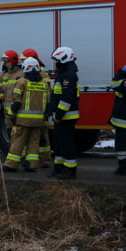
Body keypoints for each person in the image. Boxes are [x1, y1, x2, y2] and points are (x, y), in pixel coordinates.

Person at [3, 57, 49, 173]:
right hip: (38, 121)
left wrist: (11, 115)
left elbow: (17, 101)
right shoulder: (44, 83)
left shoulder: (22, 82)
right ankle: (32, 165)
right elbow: (48, 102)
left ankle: (11, 165)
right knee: (34, 143)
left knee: (17, 142)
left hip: (22, 121)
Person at [47, 46, 80, 179]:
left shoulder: (68, 76)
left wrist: (59, 115)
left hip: (66, 117)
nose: (56, 63)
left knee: (67, 144)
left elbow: (66, 98)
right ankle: (59, 167)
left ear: (64, 59)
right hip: (61, 117)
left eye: (57, 60)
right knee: (58, 143)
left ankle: (70, 171)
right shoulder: (63, 74)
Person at [22, 48, 53, 167]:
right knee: (28, 137)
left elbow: (48, 93)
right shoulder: (25, 75)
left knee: (42, 137)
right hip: (33, 113)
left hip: (41, 112)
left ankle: (45, 159)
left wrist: (47, 110)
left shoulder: (43, 76)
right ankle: (28, 160)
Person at [0, 50, 23, 128]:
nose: (4, 64)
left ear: (13, 61)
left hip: (19, 113)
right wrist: (0, 108)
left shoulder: (21, 74)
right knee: (10, 135)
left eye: (7, 61)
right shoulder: (4, 75)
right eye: (4, 62)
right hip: (7, 114)